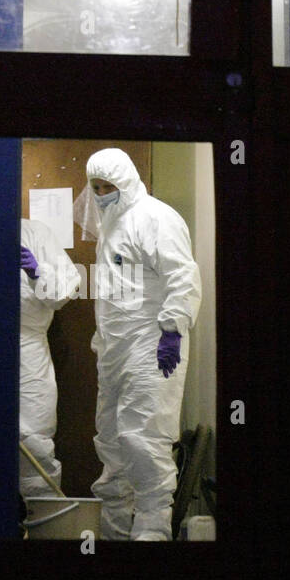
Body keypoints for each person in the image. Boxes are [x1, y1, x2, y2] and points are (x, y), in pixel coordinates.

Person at [84, 148, 201, 540]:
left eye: (109, 186)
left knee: (144, 439)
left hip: (152, 348)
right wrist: (103, 342)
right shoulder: (110, 226)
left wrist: (172, 330)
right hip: (116, 351)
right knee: (113, 441)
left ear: (128, 181)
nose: (102, 194)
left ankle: (151, 537)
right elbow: (115, 294)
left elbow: (182, 276)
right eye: (96, 187)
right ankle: (115, 537)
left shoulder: (155, 217)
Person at [19, 217, 81, 500]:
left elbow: (65, 290)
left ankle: (38, 519)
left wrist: (37, 272)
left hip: (28, 346)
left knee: (34, 437)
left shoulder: (36, 234)